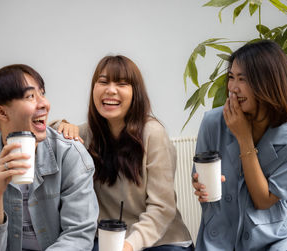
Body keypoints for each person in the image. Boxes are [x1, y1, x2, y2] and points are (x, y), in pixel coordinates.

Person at [51, 55, 193, 251]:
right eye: (103, 82)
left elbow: (162, 208)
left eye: (122, 83)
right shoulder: (89, 134)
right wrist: (63, 125)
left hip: (161, 241)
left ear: (136, 93)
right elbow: (48, 132)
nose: (110, 90)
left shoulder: (153, 133)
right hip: (106, 240)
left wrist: (129, 245)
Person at [192, 40, 287, 251]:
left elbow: (263, 200)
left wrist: (243, 137)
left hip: (275, 241)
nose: (233, 88)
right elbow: (202, 182)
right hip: (221, 240)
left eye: (243, 79)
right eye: (231, 77)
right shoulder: (213, 123)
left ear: (268, 83)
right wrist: (199, 185)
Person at [0, 64, 99, 251]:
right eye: (31, 96)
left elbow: (78, 236)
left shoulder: (70, 154)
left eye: (42, 93)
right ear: (1, 112)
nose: (44, 104)